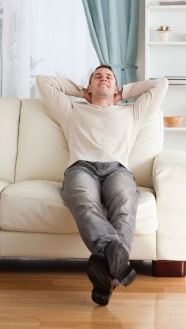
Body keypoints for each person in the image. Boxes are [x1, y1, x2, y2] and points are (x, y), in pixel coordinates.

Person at [36, 66, 168, 306]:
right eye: (97, 77)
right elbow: (43, 81)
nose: (103, 79)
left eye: (109, 77)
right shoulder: (72, 111)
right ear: (90, 87)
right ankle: (115, 260)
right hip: (81, 168)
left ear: (116, 87)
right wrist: (81, 93)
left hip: (117, 169)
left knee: (126, 206)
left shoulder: (133, 112)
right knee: (85, 204)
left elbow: (161, 84)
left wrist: (124, 91)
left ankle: (106, 276)